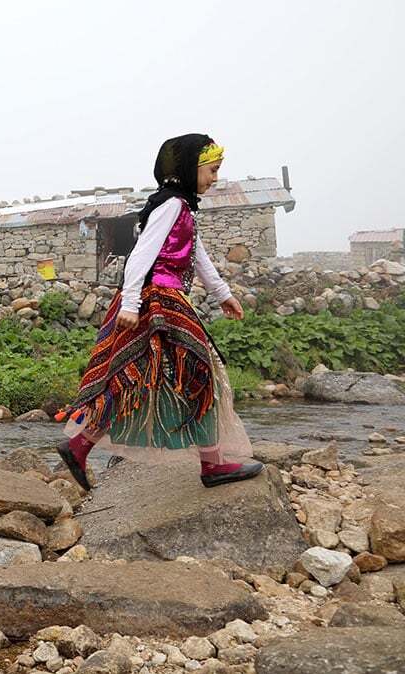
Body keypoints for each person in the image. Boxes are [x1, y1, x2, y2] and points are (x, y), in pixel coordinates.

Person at [56, 134, 264, 489]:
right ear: (190, 168)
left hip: (160, 298)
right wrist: (131, 303)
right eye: (212, 170)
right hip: (158, 299)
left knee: (137, 374)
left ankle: (80, 445)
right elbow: (142, 253)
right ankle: (213, 465)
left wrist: (223, 294)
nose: (215, 178)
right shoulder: (171, 205)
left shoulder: (180, 206)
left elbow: (197, 255)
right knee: (199, 371)